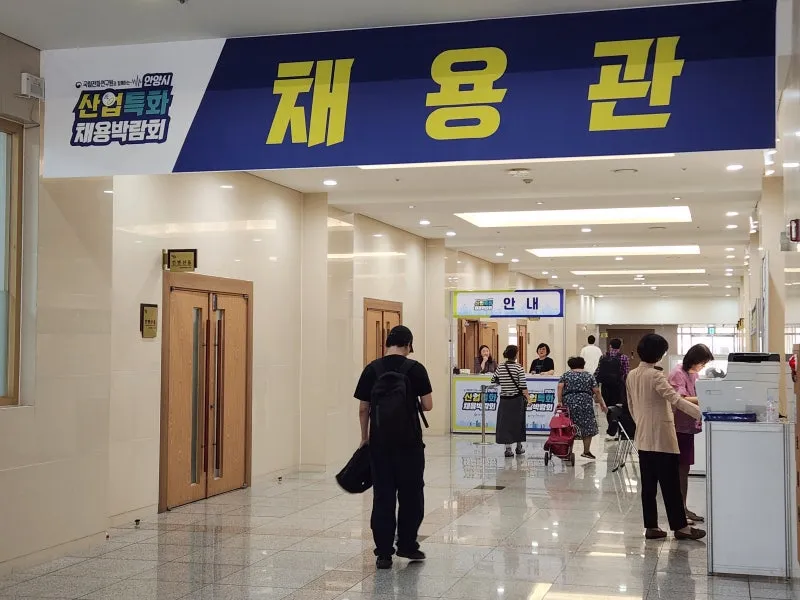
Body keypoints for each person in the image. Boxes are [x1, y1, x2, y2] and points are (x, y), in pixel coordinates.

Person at [354, 325, 433, 569]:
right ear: (408, 344)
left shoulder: (372, 369)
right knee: (411, 495)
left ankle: (384, 554)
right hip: (410, 444)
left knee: (383, 496)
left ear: (387, 344)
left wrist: (364, 438)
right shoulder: (416, 369)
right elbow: (428, 405)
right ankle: (407, 544)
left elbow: (363, 408)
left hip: (380, 444)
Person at [626, 333, 706, 541]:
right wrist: (702, 414)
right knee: (671, 485)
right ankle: (681, 528)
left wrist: (641, 423)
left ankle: (651, 526)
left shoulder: (632, 374)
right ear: (659, 354)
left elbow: (631, 405)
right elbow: (676, 400)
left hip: (643, 436)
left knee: (648, 486)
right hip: (662, 438)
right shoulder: (655, 375)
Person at [668, 343, 713, 525]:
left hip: (688, 426)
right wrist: (707, 397)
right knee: (680, 469)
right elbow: (681, 399)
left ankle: (683, 507)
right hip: (678, 427)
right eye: (702, 363)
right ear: (694, 360)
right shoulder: (677, 373)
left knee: (684, 469)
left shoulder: (693, 374)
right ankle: (680, 510)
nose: (702, 367)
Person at [557, 356, 607, 459]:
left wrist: (559, 401)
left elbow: (560, 387)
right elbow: (597, 391)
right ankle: (586, 451)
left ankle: (568, 452)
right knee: (587, 425)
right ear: (583, 365)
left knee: (569, 426)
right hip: (585, 402)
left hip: (569, 402)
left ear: (570, 365)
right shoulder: (588, 376)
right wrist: (602, 404)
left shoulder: (566, 375)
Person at [492, 345, 531, 457]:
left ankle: (508, 449)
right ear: (515, 355)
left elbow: (494, 380)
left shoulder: (500, 366)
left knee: (505, 424)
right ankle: (519, 447)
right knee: (518, 423)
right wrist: (529, 399)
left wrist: (505, 382)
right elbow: (523, 386)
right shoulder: (519, 367)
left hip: (504, 400)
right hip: (517, 400)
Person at [595, 338, 629, 437]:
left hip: (605, 386)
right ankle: (618, 430)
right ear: (620, 346)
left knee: (608, 407)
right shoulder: (624, 357)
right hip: (618, 386)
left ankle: (611, 427)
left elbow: (598, 371)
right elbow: (626, 373)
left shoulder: (603, 357)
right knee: (618, 408)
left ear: (610, 346)